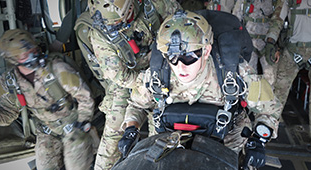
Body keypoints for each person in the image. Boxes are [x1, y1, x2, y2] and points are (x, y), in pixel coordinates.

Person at [119, 10, 282, 169]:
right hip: (169, 146)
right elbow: (136, 105)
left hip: (227, 145)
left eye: (188, 57)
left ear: (206, 51)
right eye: (172, 57)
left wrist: (258, 141)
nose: (180, 66)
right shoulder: (158, 74)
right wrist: (131, 130)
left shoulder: (233, 72)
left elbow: (270, 109)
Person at [86, 0, 182, 169]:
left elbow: (183, 31)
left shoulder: (155, 5)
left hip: (167, 70)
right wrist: (147, 82)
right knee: (113, 136)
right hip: (128, 81)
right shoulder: (100, 33)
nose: (115, 25)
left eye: (118, 21)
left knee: (161, 134)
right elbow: (119, 75)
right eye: (111, 23)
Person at [0, 29, 94, 170]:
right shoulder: (10, 82)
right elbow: (9, 113)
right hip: (47, 130)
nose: (31, 56)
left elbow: (85, 97)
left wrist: (83, 123)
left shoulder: (57, 68)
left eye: (33, 50)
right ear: (14, 59)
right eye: (24, 55)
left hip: (73, 125)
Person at [263, 0, 311, 158]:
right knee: (279, 91)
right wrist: (271, 42)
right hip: (293, 49)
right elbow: (278, 18)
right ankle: (268, 129)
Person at [232, 0, 279, 85]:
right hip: (249, 43)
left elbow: (279, 22)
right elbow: (235, 20)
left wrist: (278, 47)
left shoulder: (274, 2)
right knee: (249, 78)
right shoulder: (243, 1)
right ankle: (251, 96)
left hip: (268, 44)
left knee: (271, 79)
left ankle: (268, 97)